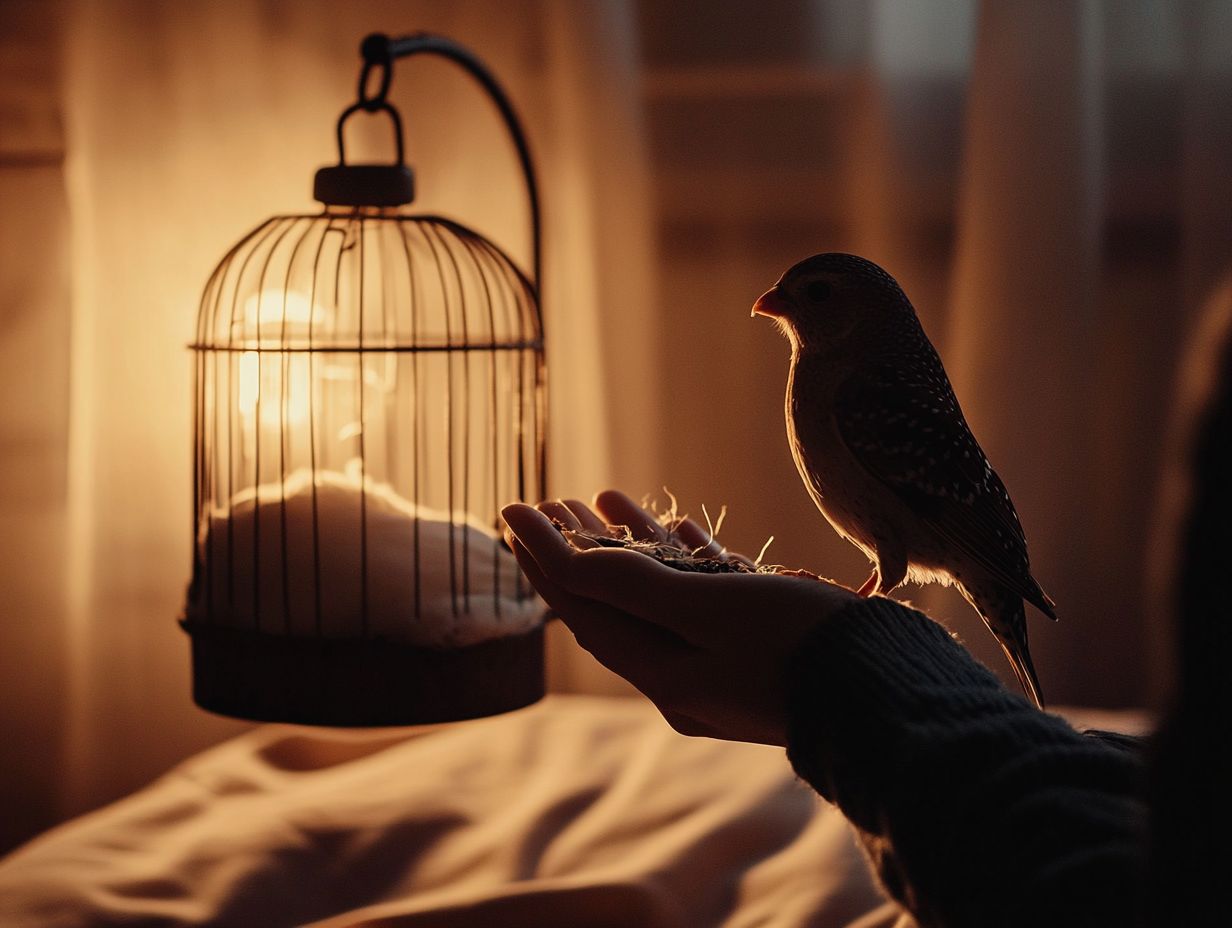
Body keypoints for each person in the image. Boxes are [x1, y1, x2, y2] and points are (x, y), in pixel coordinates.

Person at [500, 296, 1231, 928]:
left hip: (963, 552)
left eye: (814, 296)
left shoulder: (859, 389)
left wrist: (839, 652)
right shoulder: (842, 377)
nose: (780, 304)